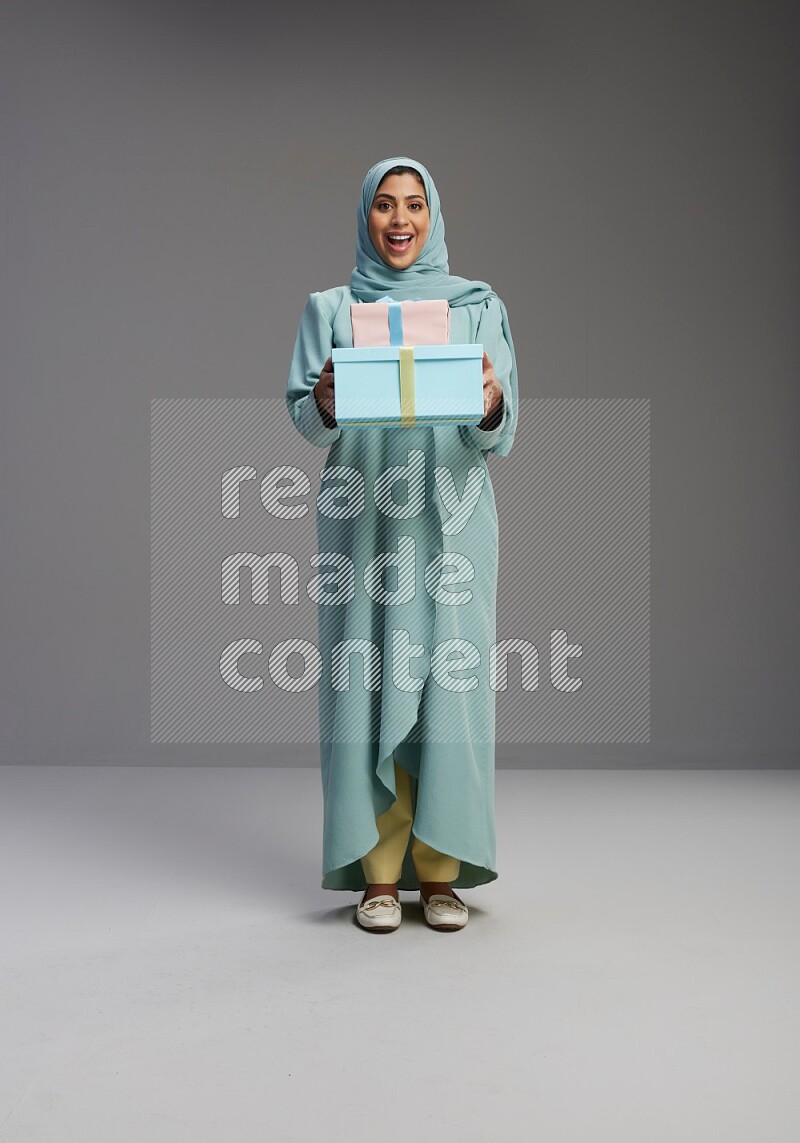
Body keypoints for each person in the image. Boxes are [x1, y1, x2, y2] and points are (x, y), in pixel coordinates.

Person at [285, 156, 518, 933]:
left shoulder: (476, 306)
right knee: (367, 684)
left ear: (434, 215)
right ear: (366, 216)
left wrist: (489, 402)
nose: (399, 220)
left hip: (449, 523)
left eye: (414, 205)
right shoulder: (331, 308)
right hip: (365, 520)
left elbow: (501, 430)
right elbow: (306, 417)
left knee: (448, 692)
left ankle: (441, 871)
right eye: (384, 205)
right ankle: (379, 877)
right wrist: (322, 395)